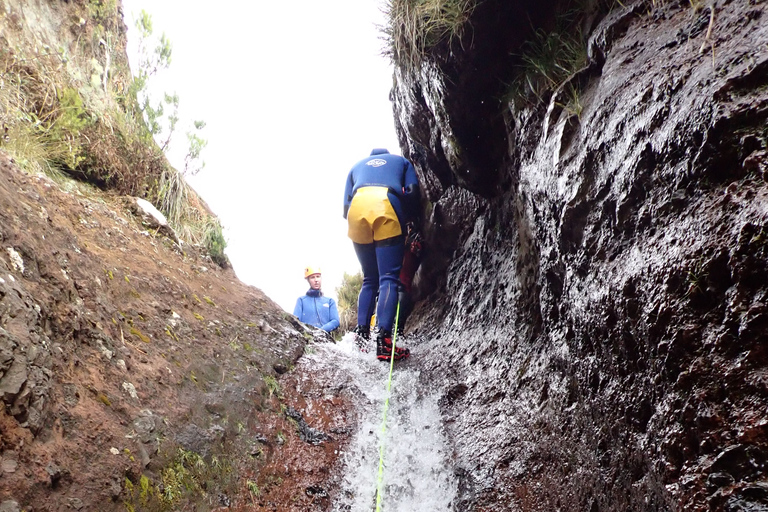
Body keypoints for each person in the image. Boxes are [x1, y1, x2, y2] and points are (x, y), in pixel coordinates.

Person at [343, 148, 420, 361]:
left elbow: (344, 208)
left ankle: (361, 336)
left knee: (370, 278)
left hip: (357, 211)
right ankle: (385, 341)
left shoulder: (355, 167)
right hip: (386, 204)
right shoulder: (402, 162)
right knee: (389, 278)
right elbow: (413, 193)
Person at [293, 266, 340, 333]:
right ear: (308, 280)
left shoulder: (330, 301)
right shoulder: (301, 300)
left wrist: (320, 331)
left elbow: (335, 321)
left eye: (318, 276)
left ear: (321, 278)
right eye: (312, 277)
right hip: (307, 338)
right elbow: (296, 321)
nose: (316, 280)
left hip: (325, 339)